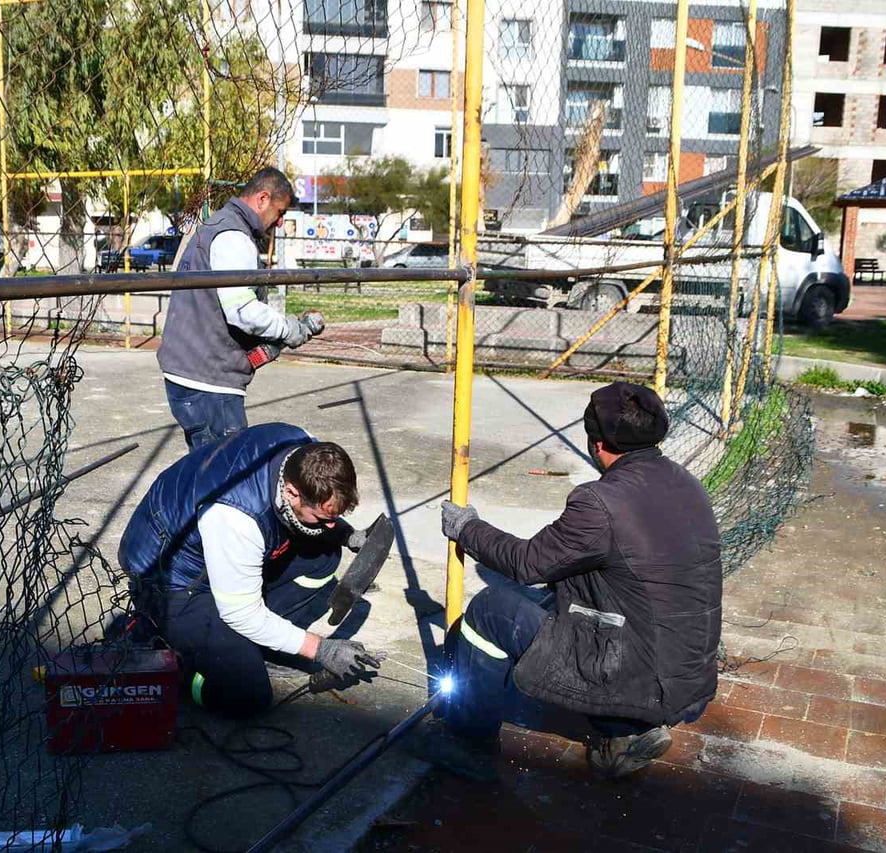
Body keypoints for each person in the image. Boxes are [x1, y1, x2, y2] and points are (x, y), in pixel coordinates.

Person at [413, 382, 722, 781]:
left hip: (645, 681)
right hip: (688, 678)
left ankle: (467, 741)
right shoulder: (686, 483)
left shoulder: (599, 502)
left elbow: (527, 563)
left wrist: (468, 529)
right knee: (554, 597)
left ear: (596, 444)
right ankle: (625, 732)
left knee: (491, 611)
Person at [117, 422, 381, 719]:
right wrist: (319, 649)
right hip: (174, 582)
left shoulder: (303, 445)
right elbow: (241, 613)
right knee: (248, 696)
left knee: (322, 556)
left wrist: (346, 535)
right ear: (292, 492)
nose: (330, 524)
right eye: (321, 518)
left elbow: (323, 514)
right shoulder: (235, 517)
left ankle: (258, 645)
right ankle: (177, 661)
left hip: (218, 553)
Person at [157, 168, 321, 449]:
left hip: (191, 374)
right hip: (208, 383)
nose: (279, 222)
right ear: (263, 198)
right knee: (223, 475)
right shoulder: (233, 236)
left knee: (205, 468)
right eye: (279, 212)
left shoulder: (216, 225)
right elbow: (243, 311)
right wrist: (290, 328)